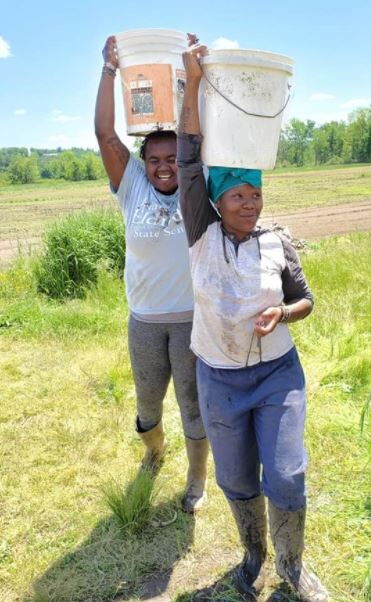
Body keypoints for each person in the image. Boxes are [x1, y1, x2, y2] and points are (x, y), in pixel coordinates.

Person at [176, 40, 330, 601]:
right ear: (217, 201)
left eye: (256, 194)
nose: (250, 204)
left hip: (276, 375)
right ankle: (254, 555)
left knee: (286, 473)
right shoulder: (201, 233)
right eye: (238, 195)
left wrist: (284, 312)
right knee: (236, 479)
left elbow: (306, 300)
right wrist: (192, 83)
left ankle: (292, 565)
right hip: (218, 377)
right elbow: (190, 160)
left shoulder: (277, 241)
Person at [94, 35, 208, 513]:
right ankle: (155, 452)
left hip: (190, 321)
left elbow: (196, 140)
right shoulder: (131, 187)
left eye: (171, 160)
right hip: (143, 320)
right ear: (143, 165)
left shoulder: (194, 184)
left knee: (193, 404)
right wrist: (108, 71)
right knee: (147, 404)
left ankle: (198, 478)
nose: (165, 167)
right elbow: (105, 135)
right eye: (155, 160)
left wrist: (194, 79)